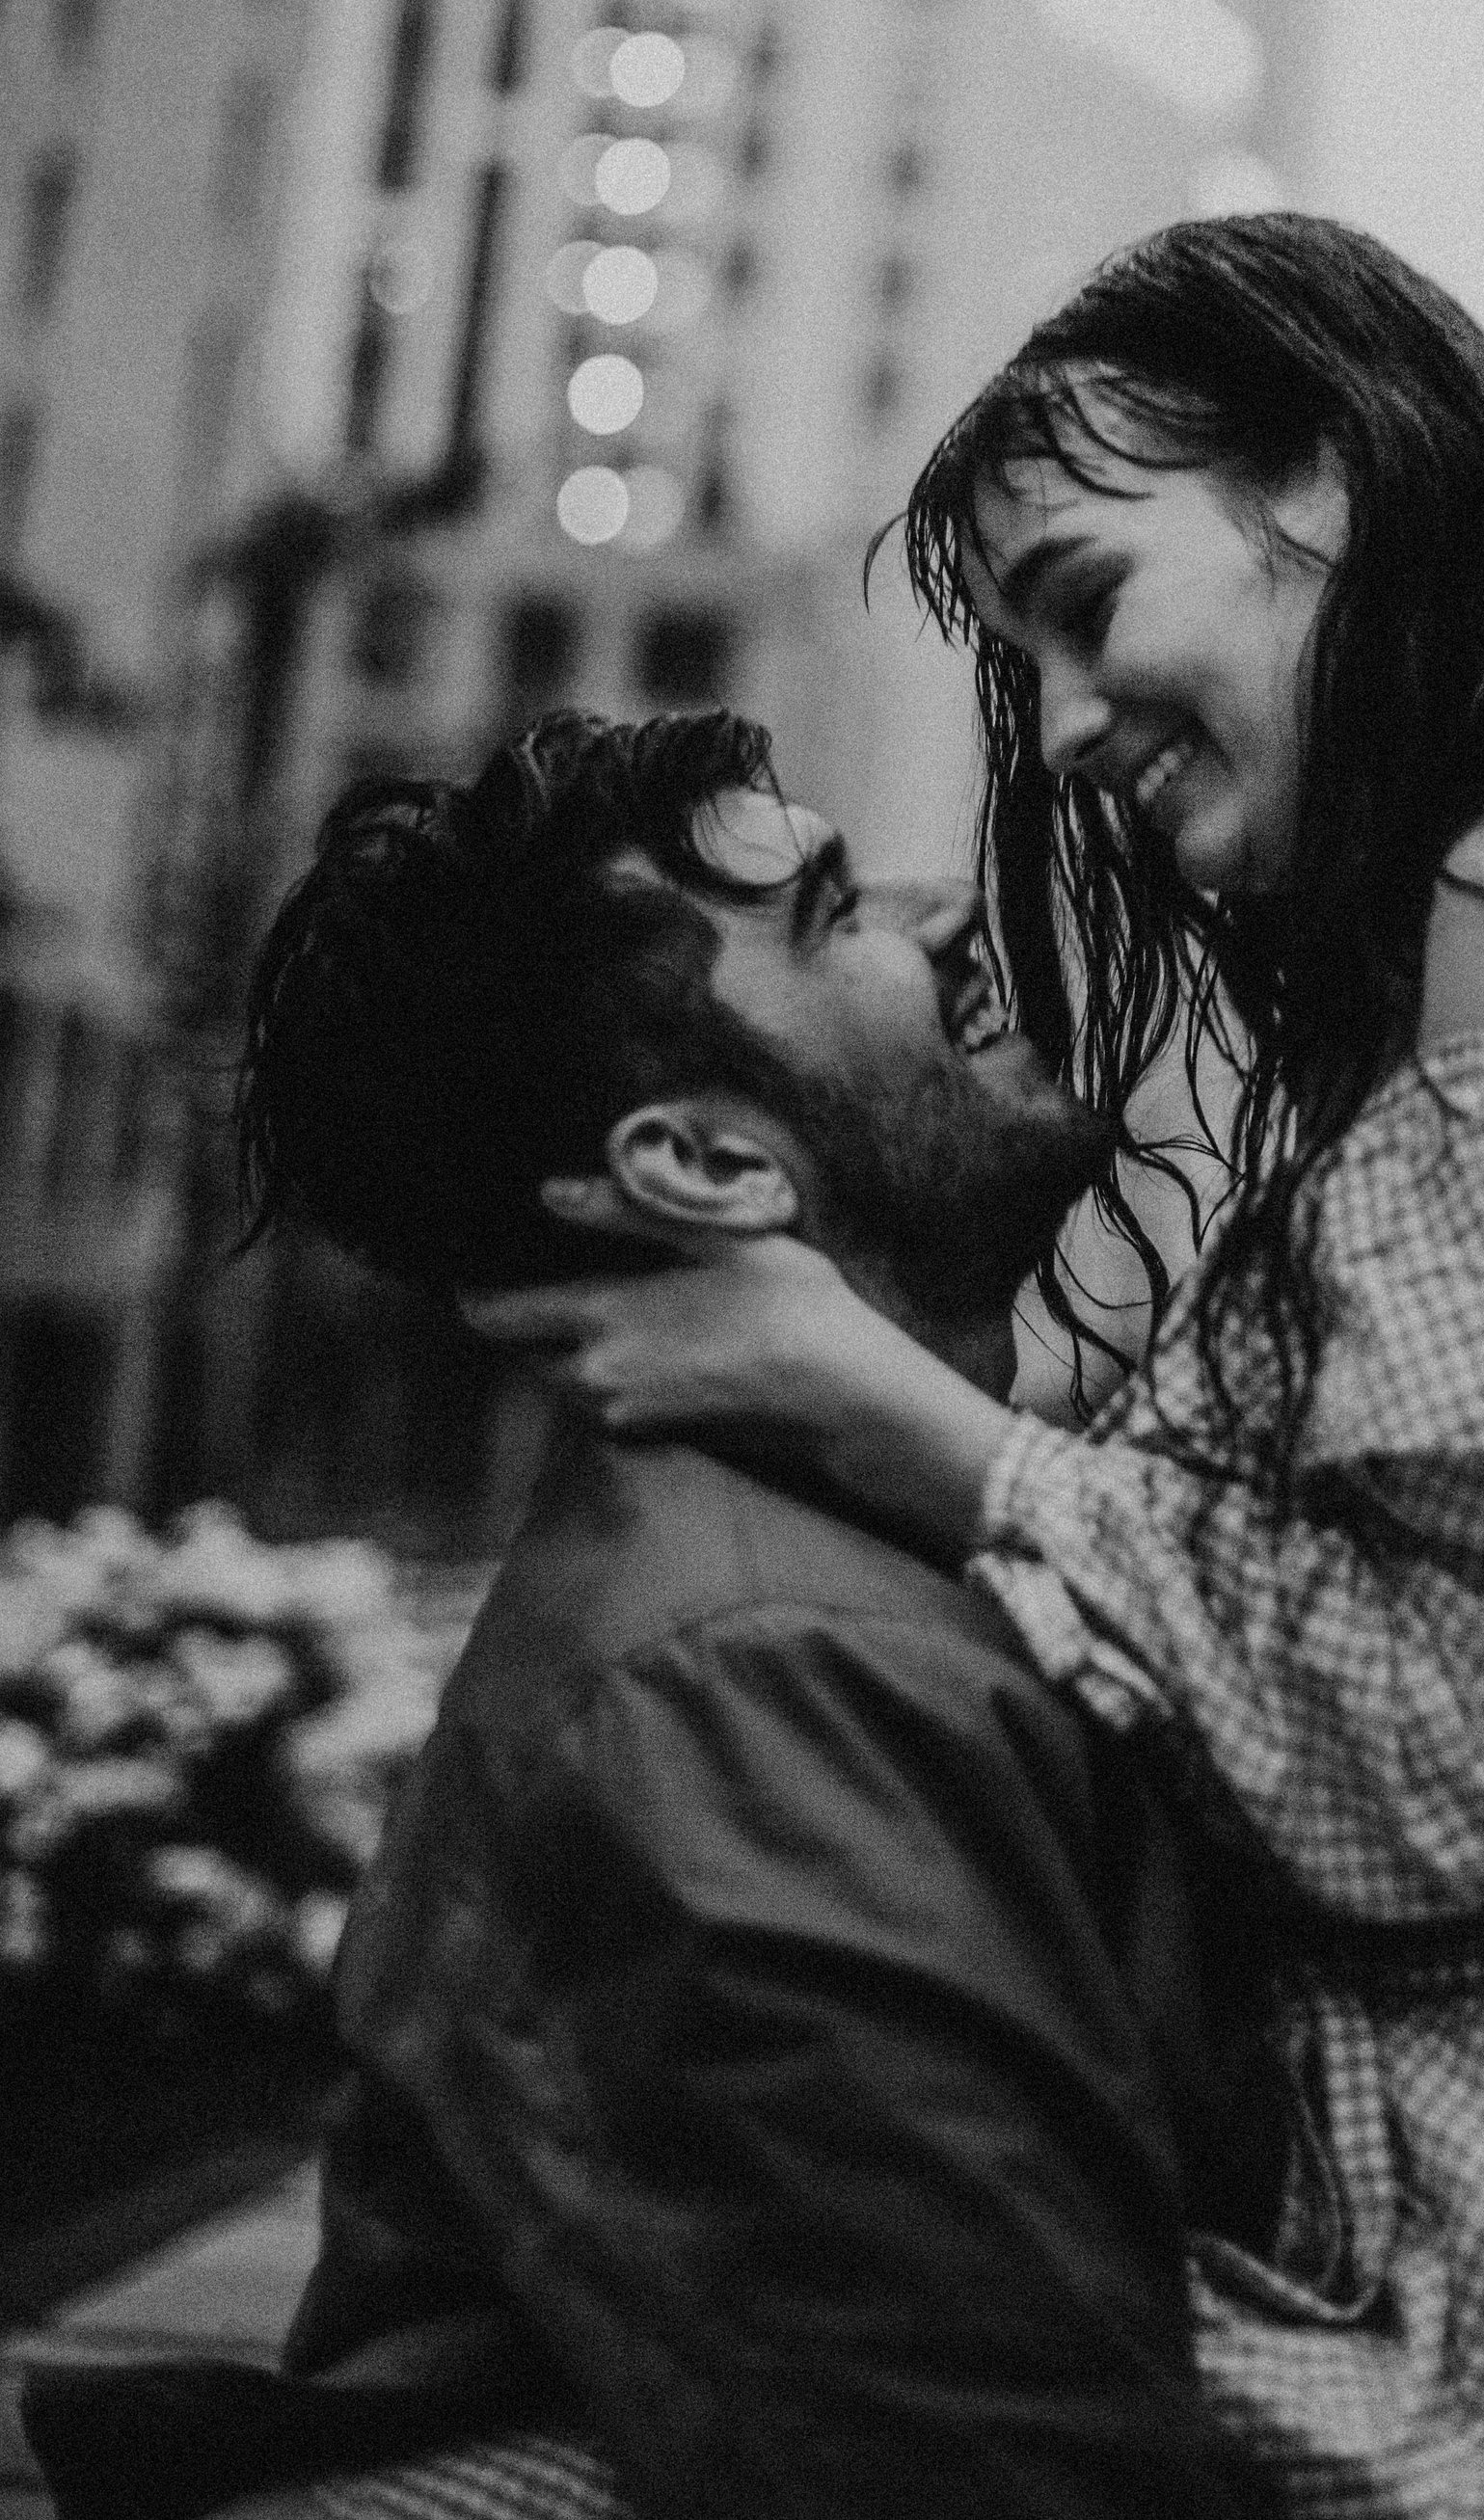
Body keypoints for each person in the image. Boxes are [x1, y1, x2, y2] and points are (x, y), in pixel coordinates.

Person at [481, 213, 1484, 2520]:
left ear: (1339, 487)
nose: (1066, 728)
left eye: (1087, 600)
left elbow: (1432, 1758)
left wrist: (881, 1412)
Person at [24, 709, 1277, 2520]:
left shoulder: (855, 1551)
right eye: (836, 909)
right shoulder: (756, 1671)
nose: (948, 911)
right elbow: (991, 2457)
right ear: (701, 1166)